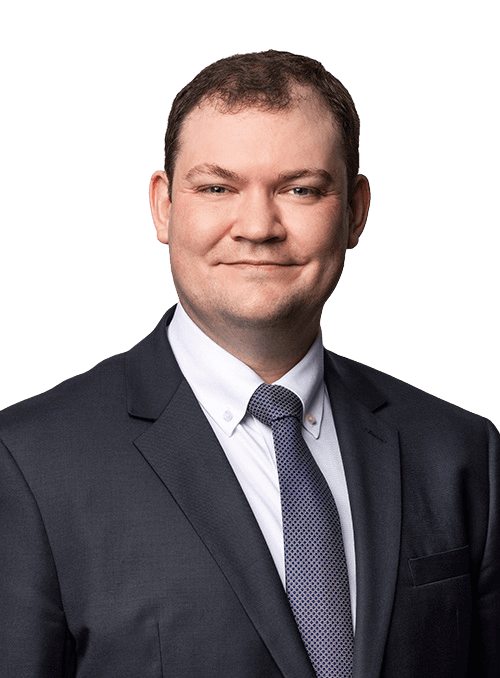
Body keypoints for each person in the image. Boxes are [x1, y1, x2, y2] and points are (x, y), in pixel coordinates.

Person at [0, 50, 498, 678]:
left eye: (301, 189)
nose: (259, 226)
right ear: (163, 206)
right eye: (217, 188)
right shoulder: (26, 462)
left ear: (356, 211)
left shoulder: (460, 451)